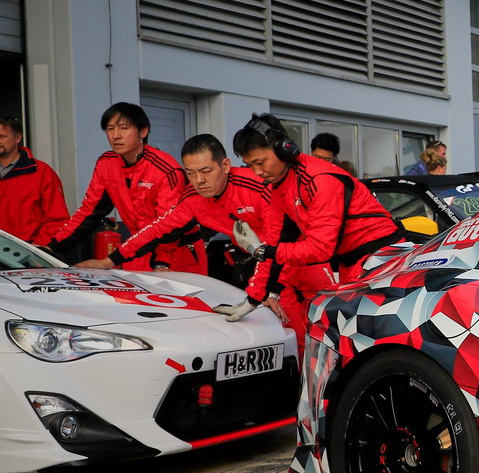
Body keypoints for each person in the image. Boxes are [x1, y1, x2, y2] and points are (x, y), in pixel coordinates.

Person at [75, 135, 329, 321]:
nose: (199, 180)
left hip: (307, 261)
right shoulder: (192, 200)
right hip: (268, 269)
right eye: (191, 173)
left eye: (206, 171)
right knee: (282, 332)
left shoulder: (259, 186)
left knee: (324, 325)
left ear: (225, 166)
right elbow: (155, 230)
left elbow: (286, 237)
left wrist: (271, 288)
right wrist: (109, 261)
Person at [226, 114, 405, 331]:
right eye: (250, 165)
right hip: (353, 264)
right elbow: (275, 245)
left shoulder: (320, 179)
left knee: (379, 333)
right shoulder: (280, 186)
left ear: (284, 148)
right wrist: (253, 299)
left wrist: (262, 251)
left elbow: (319, 249)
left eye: (260, 162)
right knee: (354, 334)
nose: (257, 172)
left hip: (383, 260)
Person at [48, 102, 203, 273]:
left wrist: (161, 262)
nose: (116, 135)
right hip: (135, 252)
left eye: (124, 128)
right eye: (110, 129)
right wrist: (52, 247)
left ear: (143, 132)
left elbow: (170, 225)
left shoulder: (165, 169)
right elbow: (89, 212)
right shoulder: (106, 164)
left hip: (178, 255)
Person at [0, 116, 69, 245]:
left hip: (26, 252)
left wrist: (37, 249)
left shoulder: (41, 173)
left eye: (2, 137)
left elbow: (57, 219)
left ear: (18, 138)